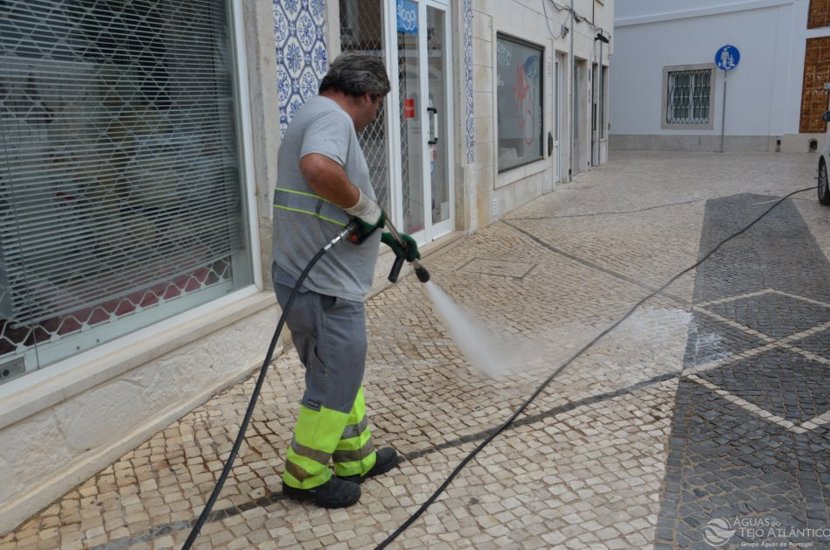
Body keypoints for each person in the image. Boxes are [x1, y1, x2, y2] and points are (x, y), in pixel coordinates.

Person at [271, 52, 420, 508]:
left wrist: (384, 231)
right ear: (368, 96)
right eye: (378, 106)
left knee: (341, 372)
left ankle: (355, 457)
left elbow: (331, 200)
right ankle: (305, 476)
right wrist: (365, 208)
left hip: (312, 280)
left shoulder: (313, 112)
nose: (375, 115)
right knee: (333, 381)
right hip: (322, 287)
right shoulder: (333, 118)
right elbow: (318, 169)